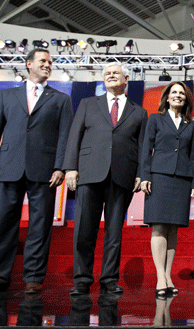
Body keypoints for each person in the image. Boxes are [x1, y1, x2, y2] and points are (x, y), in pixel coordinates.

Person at [0, 48, 73, 294]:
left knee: (40, 227)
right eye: (43, 61)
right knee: (4, 224)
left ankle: (33, 277)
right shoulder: (7, 96)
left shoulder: (61, 99)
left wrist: (60, 166)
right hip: (9, 167)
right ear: (29, 64)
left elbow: (66, 136)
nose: (48, 65)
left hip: (45, 171)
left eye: (50, 62)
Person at [63, 63, 148, 296]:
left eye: (116, 73)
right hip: (89, 172)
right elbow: (74, 136)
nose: (111, 76)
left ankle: (109, 278)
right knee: (84, 229)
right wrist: (70, 167)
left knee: (114, 232)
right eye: (107, 73)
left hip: (123, 176)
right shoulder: (88, 104)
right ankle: (82, 279)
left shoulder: (139, 112)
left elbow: (142, 147)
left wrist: (141, 173)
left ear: (127, 78)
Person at [140, 82, 194, 298]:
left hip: (182, 179)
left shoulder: (190, 125)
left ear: (186, 99)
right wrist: (145, 176)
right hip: (159, 177)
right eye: (174, 92)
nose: (178, 96)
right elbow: (146, 149)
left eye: (181, 93)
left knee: (173, 229)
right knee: (158, 227)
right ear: (166, 98)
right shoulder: (155, 119)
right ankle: (160, 278)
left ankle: (168, 276)